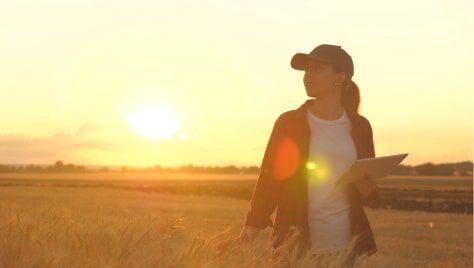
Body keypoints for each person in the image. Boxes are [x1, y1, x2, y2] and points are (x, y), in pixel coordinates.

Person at [238, 44, 380, 265]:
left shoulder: (360, 126)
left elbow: (364, 177)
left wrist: (368, 189)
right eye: (306, 70)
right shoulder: (289, 123)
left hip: (347, 245)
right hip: (295, 243)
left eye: (317, 69)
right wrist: (253, 223)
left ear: (340, 78)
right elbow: (270, 176)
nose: (307, 76)